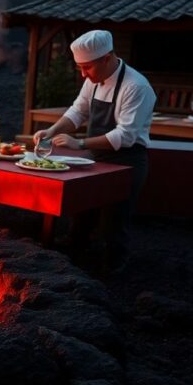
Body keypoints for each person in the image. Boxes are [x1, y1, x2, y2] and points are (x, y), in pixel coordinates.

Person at [33, 29, 156, 273]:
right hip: (97, 157)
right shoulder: (93, 81)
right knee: (82, 209)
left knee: (114, 221)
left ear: (107, 58)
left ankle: (113, 268)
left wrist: (79, 144)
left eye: (87, 67)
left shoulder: (136, 86)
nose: (83, 75)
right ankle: (73, 263)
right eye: (79, 67)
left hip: (128, 159)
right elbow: (78, 111)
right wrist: (52, 130)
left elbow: (125, 136)